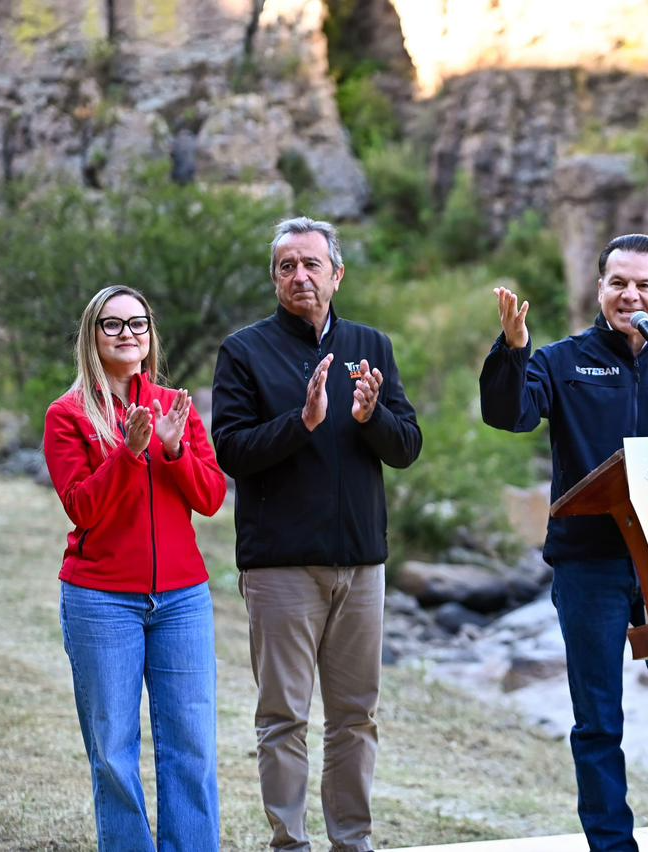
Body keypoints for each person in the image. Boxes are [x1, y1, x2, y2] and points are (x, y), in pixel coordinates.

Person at [480, 233, 648, 852]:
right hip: (591, 563)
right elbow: (509, 414)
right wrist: (512, 350)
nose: (630, 295)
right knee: (598, 719)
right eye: (619, 283)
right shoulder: (560, 361)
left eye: (644, 285)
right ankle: (613, 845)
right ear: (599, 289)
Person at [211, 216, 422, 852]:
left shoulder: (371, 345)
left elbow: (407, 446)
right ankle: (290, 842)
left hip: (362, 564)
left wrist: (371, 416)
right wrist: (300, 422)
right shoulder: (244, 351)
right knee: (283, 717)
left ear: (337, 274)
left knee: (356, 716)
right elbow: (231, 450)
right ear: (274, 278)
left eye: (311, 264)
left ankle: (352, 841)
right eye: (287, 266)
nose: (300, 276)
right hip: (281, 567)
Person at [44, 284, 225, 851]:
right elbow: (82, 507)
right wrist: (128, 453)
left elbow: (211, 497)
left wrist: (173, 451)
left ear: (151, 335)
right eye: (113, 324)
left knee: (192, 748)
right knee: (114, 753)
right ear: (92, 336)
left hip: (182, 600)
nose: (128, 333)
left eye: (138, 323)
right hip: (101, 602)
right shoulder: (67, 415)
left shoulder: (175, 406)